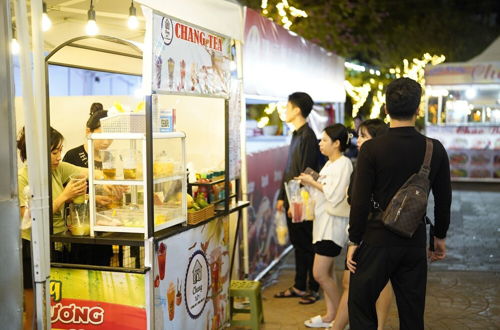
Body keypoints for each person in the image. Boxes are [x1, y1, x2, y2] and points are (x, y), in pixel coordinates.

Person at [347, 78, 451, 330]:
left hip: (376, 240)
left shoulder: (371, 149)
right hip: (413, 240)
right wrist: (438, 236)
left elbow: (359, 200)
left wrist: (354, 240)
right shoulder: (434, 149)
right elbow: (444, 198)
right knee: (412, 313)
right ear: (418, 109)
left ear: (385, 108)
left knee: (360, 305)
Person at [17, 127, 87, 330]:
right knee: (34, 310)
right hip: (32, 246)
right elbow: (29, 217)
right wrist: (64, 196)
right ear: (38, 151)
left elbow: (88, 172)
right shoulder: (24, 177)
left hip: (56, 243)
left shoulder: (57, 169)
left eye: (60, 151)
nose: (58, 157)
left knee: (57, 306)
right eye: (54, 152)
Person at [333, 119, 393, 330]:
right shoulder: (367, 162)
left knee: (370, 284)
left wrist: (354, 239)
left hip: (370, 234)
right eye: (358, 135)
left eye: (364, 136)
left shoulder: (373, 163)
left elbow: (359, 201)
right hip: (366, 232)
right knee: (350, 283)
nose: (358, 140)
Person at [296, 124, 353, 327]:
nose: (320, 143)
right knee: (327, 274)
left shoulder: (344, 164)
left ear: (337, 143)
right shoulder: (330, 164)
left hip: (332, 227)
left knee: (319, 273)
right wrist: (310, 180)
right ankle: (331, 315)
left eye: (324, 140)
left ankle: (340, 318)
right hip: (323, 225)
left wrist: (312, 182)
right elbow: (324, 187)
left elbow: (334, 195)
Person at [274, 92, 322, 304]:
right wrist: (282, 197)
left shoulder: (308, 136)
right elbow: (289, 169)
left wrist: (296, 201)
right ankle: (299, 285)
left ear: (297, 110)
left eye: (287, 106)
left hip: (301, 201)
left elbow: (306, 173)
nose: (284, 110)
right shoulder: (296, 134)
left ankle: (312, 287)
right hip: (292, 199)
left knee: (306, 245)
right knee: (299, 244)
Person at [63, 110, 114, 266]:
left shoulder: (110, 157)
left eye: (110, 136)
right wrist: (95, 198)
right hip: (80, 228)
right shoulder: (73, 156)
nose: (106, 141)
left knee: (104, 266)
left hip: (104, 226)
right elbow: (65, 195)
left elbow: (112, 185)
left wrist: (116, 191)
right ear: (88, 131)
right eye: (102, 136)